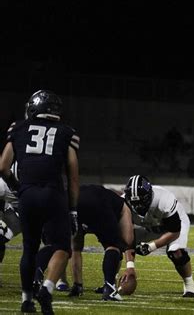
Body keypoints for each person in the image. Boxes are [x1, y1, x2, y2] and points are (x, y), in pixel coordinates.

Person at [0, 90, 80, 314]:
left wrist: (17, 187)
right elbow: (73, 176)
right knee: (62, 246)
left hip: (27, 195)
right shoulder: (67, 133)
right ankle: (47, 288)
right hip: (53, 194)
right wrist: (73, 210)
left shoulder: (17, 128)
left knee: (29, 249)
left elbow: (2, 167)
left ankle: (26, 300)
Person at [33, 185, 136, 301]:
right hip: (95, 203)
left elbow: (76, 245)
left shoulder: (102, 195)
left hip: (67, 200)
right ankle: (110, 289)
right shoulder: (124, 206)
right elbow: (128, 240)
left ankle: (40, 277)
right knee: (113, 246)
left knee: (60, 245)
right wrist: (126, 259)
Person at [124, 175, 194, 297]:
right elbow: (127, 234)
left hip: (175, 224)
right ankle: (110, 282)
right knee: (117, 241)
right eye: (134, 203)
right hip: (150, 225)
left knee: (176, 252)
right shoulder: (123, 204)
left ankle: (189, 285)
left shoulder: (164, 200)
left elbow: (174, 231)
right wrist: (130, 266)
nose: (138, 207)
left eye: (141, 202)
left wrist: (151, 247)